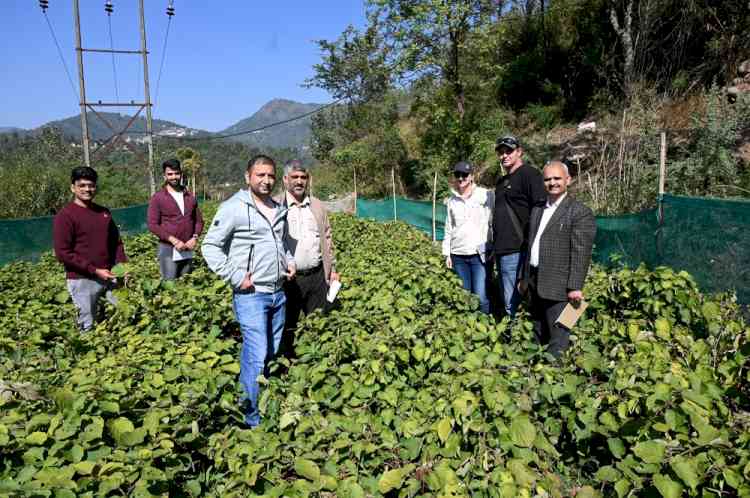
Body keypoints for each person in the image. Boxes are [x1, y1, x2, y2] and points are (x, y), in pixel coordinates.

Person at [201, 154, 296, 427]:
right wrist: (235, 275)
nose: (266, 181)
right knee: (257, 352)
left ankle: (259, 399)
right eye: (260, 175)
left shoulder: (278, 207)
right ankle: (251, 418)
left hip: (278, 292)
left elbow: (281, 243)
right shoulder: (234, 207)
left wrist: (288, 261)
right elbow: (210, 246)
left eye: (270, 176)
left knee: (269, 351)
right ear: (248, 177)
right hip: (251, 295)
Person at [522, 161, 596, 358]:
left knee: (560, 330)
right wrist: (525, 277)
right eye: (547, 179)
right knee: (537, 326)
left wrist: (575, 287)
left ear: (568, 180)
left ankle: (555, 374)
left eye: (557, 178)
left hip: (560, 283)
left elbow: (581, 252)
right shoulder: (537, 209)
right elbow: (530, 245)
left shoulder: (579, 212)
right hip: (535, 278)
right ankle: (532, 367)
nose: (552, 183)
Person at [276, 160, 339, 357]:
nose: (299, 181)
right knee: (288, 324)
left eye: (303, 177)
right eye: (294, 177)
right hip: (289, 279)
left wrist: (333, 269)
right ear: (285, 179)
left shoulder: (318, 206)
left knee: (319, 322)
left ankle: (318, 361)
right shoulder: (276, 206)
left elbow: (327, 239)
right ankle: (287, 365)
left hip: (317, 275)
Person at [53, 166, 127, 331]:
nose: (88, 189)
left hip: (110, 275)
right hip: (81, 279)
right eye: (82, 185)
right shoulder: (65, 216)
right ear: (73, 187)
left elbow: (116, 243)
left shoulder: (103, 212)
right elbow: (62, 253)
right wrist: (94, 270)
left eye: (91, 185)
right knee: (87, 325)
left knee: (125, 314)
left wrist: (123, 267)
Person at [492, 135, 546, 318]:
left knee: (514, 300)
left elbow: (539, 209)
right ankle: (516, 334)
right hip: (501, 249)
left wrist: (531, 245)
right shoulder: (500, 182)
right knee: (508, 297)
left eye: (509, 151)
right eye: (501, 152)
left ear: (519, 152)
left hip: (518, 248)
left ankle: (515, 338)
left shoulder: (530, 174)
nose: (504, 155)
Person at [442, 161, 493, 314]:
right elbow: (449, 228)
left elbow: (493, 220)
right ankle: (468, 328)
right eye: (458, 175)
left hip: (479, 255)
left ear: (471, 176)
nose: (461, 178)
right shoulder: (452, 200)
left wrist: (493, 246)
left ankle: (484, 328)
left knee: (481, 296)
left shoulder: (485, 195)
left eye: (465, 175)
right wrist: (447, 253)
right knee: (465, 295)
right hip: (458, 255)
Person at [147, 158, 204, 280]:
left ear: (181, 174)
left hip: (187, 248)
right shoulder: (158, 198)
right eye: (170, 174)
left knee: (186, 282)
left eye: (176, 173)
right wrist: (174, 240)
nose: (174, 177)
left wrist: (194, 238)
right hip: (168, 249)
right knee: (170, 284)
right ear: (164, 176)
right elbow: (153, 225)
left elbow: (199, 221)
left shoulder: (189, 197)